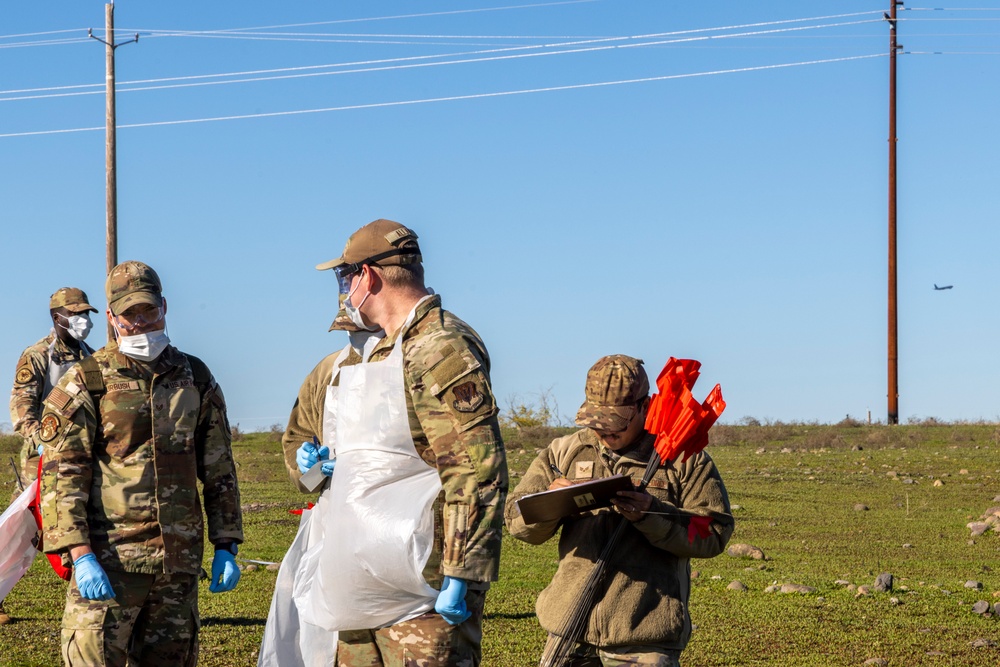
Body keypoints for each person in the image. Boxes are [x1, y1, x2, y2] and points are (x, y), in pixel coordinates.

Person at [296, 218, 508, 666]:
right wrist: (316, 465)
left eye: (345, 276)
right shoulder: (380, 349)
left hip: (421, 582)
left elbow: (475, 470)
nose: (344, 289)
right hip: (360, 575)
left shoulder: (439, 348)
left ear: (367, 276)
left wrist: (461, 572)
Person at [37, 260, 244, 667]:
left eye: (149, 310)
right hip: (110, 561)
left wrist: (226, 543)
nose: (141, 322)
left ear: (164, 306)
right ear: (112, 317)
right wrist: (80, 554)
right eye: (130, 314)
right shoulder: (87, 380)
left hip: (176, 564)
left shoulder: (194, 376)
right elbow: (63, 475)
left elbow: (219, 466)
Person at [504, 355, 734, 667]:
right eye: (596, 424)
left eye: (616, 425)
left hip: (643, 636)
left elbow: (714, 532)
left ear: (644, 406)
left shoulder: (684, 457)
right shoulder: (563, 452)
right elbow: (515, 522)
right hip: (567, 631)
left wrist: (652, 514)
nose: (605, 434)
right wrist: (549, 504)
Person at [10, 287, 97, 486]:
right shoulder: (39, 355)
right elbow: (22, 408)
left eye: (86, 313)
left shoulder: (92, 358)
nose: (83, 319)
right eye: (75, 314)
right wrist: (44, 442)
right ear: (57, 318)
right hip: (42, 462)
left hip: (83, 459)